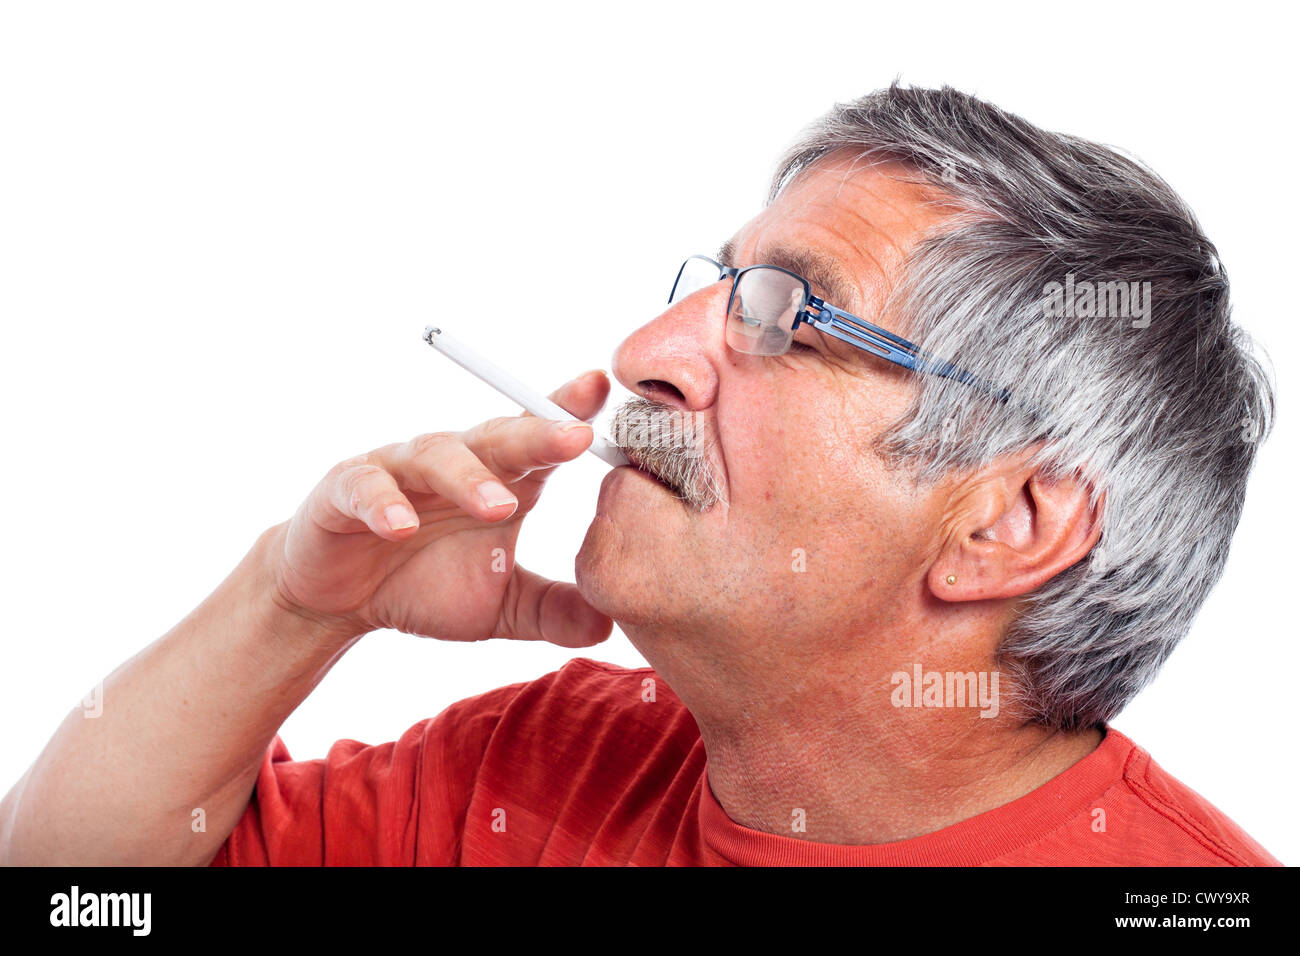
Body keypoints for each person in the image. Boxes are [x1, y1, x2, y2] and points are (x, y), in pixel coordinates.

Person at [0, 84, 1280, 866]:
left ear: (1008, 520)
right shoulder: (544, 762)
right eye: (712, 287)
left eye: (790, 312)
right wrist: (294, 604)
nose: (645, 354)